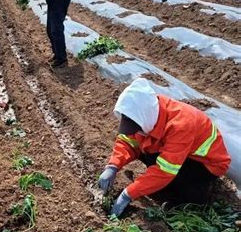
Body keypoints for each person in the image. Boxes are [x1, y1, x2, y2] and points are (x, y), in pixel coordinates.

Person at [98, 78, 231, 217]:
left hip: (205, 164)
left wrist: (128, 194)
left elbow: (165, 170)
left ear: (146, 118)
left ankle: (191, 201)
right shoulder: (146, 114)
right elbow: (127, 141)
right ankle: (164, 185)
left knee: (178, 183)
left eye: (137, 128)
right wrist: (113, 166)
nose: (135, 131)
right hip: (180, 153)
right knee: (149, 155)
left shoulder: (181, 125)